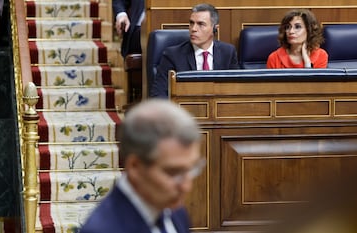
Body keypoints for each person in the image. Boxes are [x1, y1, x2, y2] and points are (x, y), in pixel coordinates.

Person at [80, 99, 205, 233]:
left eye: (192, 168)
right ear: (134, 166)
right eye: (173, 173)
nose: (186, 186)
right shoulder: (102, 229)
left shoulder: (173, 209)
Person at [150, 3, 239, 98]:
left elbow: (238, 88)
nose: (193, 29)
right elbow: (158, 94)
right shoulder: (173, 55)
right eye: (191, 23)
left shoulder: (228, 52)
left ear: (215, 29)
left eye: (201, 24)